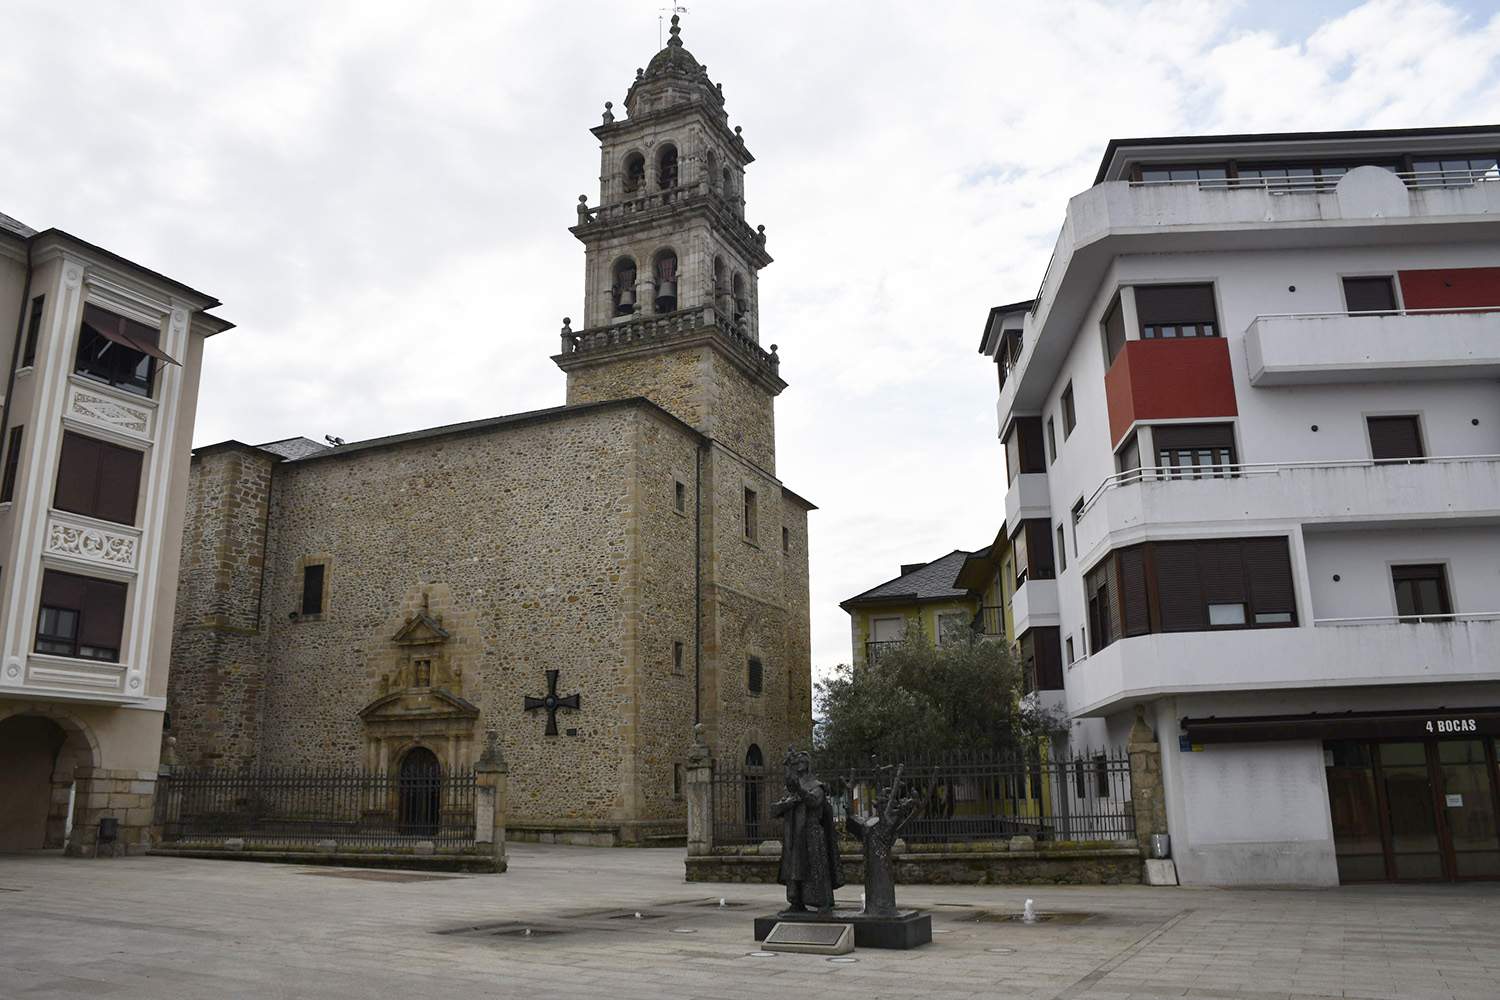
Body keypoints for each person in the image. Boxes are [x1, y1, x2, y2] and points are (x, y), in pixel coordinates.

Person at [771, 748, 843, 914]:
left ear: (809, 765)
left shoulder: (818, 786)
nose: (799, 764)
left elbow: (814, 802)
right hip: (794, 834)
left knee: (816, 869)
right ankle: (796, 902)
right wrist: (787, 803)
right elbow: (775, 810)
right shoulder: (791, 788)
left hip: (812, 833)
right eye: (797, 762)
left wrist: (800, 792)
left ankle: (823, 903)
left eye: (802, 762)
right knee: (794, 869)